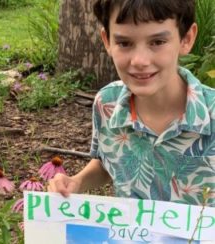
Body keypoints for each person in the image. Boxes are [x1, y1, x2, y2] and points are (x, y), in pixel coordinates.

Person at [48, 0, 215, 206]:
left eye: (157, 42)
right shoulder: (107, 103)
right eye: (124, 43)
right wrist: (77, 182)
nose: (139, 61)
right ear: (107, 41)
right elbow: (109, 161)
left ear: (186, 39)